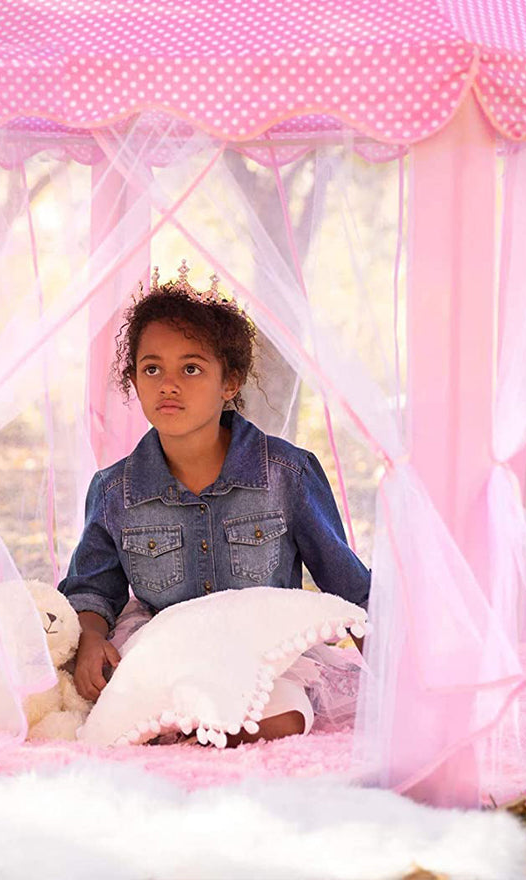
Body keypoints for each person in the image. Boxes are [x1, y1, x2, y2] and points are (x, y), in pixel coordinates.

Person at [59, 262, 370, 741]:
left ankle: (193, 728)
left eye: (191, 368)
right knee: (122, 704)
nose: (169, 383)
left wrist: (400, 675)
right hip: (167, 651)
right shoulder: (114, 489)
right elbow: (92, 589)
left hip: (261, 656)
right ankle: (180, 720)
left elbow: (348, 584)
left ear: (230, 382)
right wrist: (93, 636)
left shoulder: (287, 474)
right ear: (133, 381)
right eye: (152, 368)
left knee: (285, 715)